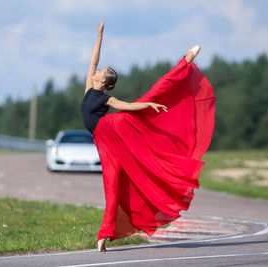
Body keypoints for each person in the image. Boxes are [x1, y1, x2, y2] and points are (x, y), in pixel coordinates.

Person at [80, 20, 215, 252]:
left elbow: (125, 105)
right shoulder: (90, 88)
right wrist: (100, 37)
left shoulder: (104, 98)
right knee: (111, 187)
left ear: (103, 81)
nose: (96, 71)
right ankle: (104, 234)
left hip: (113, 130)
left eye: (100, 72)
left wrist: (147, 105)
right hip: (103, 142)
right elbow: (93, 60)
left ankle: (185, 62)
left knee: (149, 102)